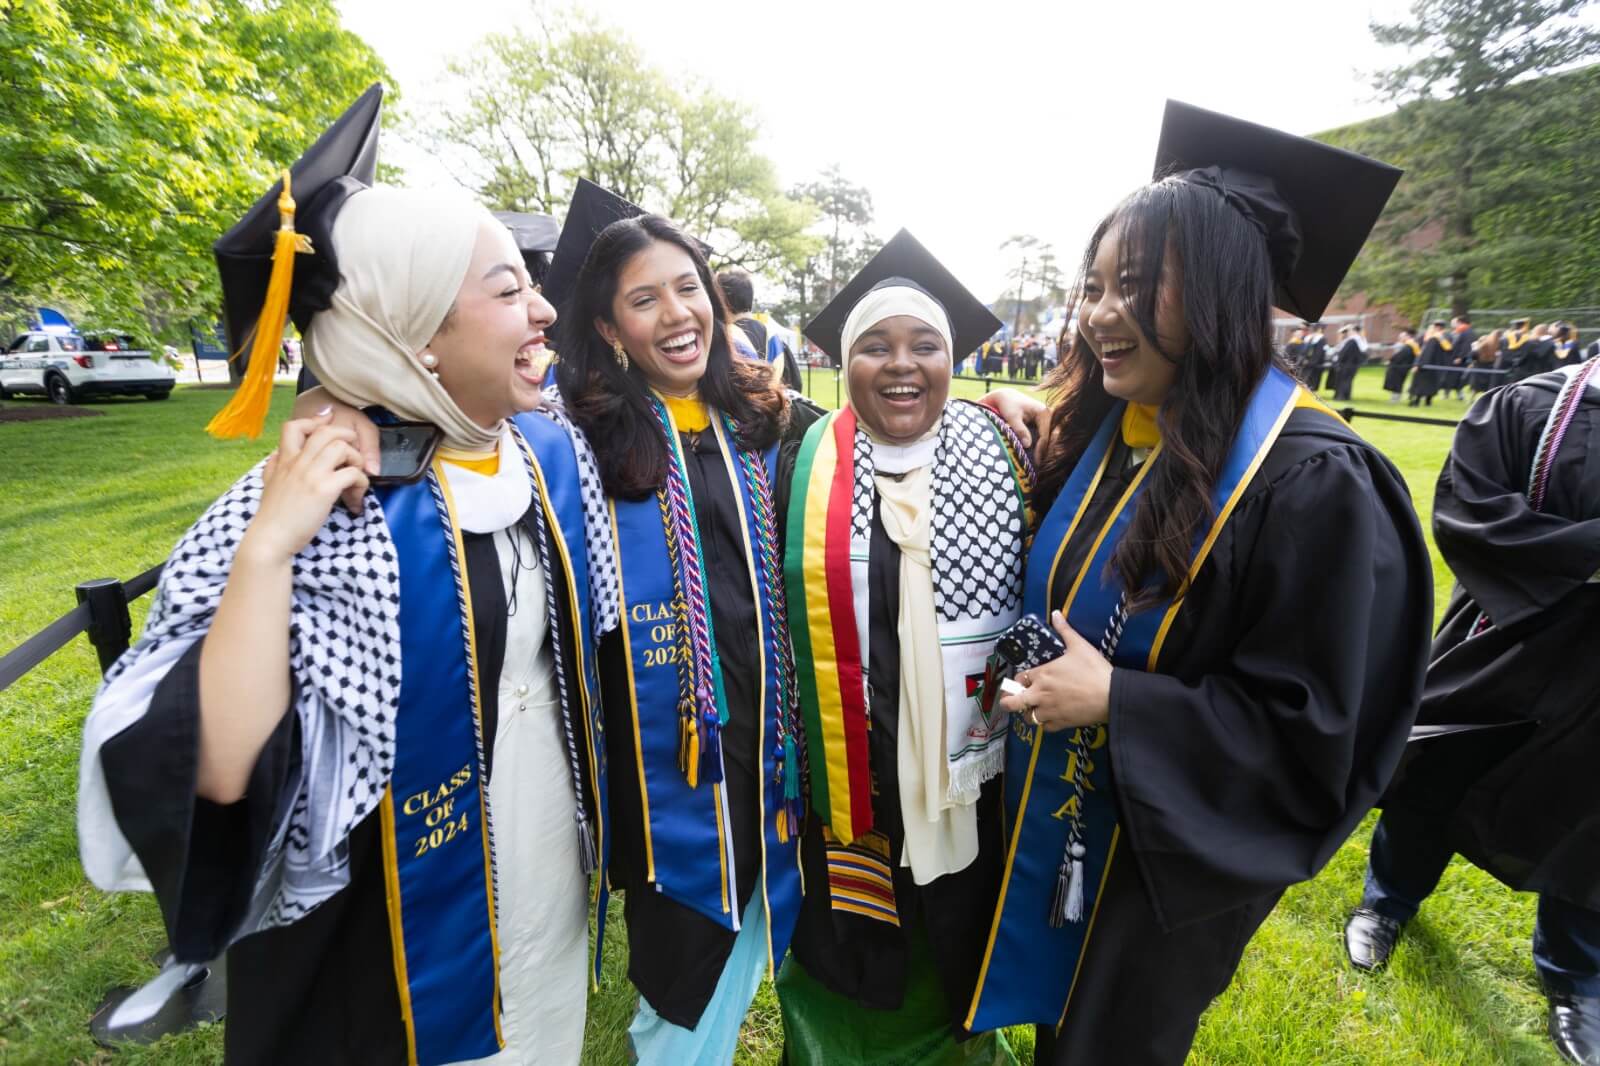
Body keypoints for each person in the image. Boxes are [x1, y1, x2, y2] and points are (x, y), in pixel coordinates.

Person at [76, 86, 615, 1066]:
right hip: (383, 938)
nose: (544, 306)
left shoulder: (540, 451)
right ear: (415, 336)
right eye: (506, 289)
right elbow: (221, 772)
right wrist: (269, 553)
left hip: (537, 849)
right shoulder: (321, 498)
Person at [967, 99, 1432, 1065]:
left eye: (1133, 285)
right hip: (1067, 815)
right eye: (1091, 286)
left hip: (1169, 858)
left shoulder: (1313, 482)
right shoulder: (1121, 432)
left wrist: (1121, 703)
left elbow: (1320, 738)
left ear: (1222, 291)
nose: (1097, 313)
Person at [545, 180, 814, 1065]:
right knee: (683, 980)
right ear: (611, 330)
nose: (676, 312)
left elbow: (881, 441)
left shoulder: (767, 420)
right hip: (665, 765)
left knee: (762, 929)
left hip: (771, 746)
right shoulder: (575, 440)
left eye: (688, 285)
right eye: (644, 299)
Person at [774, 230, 1030, 1065]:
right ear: (844, 364)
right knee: (854, 959)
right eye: (875, 346)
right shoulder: (799, 462)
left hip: (969, 773)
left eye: (926, 345)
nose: (902, 365)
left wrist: (1029, 407)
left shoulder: (1010, 458)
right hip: (845, 774)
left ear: (952, 361)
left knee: (956, 947)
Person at [1344, 353, 1600, 1066]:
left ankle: (1579, 980)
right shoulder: (1530, 407)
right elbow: (1468, 512)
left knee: (1593, 822)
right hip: (1506, 640)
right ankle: (1386, 903)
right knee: (1435, 776)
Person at [717, 268, 805, 391]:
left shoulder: (726, 339)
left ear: (723, 301)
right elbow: (796, 386)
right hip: (774, 408)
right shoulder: (775, 339)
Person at [1409, 321, 1452, 407]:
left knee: (1421, 383)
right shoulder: (1447, 337)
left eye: (1432, 327)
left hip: (1426, 365)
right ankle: (1428, 402)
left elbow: (1427, 353)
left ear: (1437, 328)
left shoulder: (1434, 338)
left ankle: (1416, 402)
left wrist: (1418, 365)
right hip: (1438, 365)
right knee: (1432, 384)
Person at [1330, 323, 1366, 401]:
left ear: (1353, 331)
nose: (1347, 332)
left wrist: (1339, 360)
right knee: (1344, 380)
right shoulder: (1350, 340)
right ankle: (1344, 396)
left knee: (1345, 381)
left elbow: (1343, 352)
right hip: (1347, 364)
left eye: (1349, 330)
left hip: (1348, 364)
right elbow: (1338, 348)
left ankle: (1341, 397)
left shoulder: (1355, 340)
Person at [1384, 328, 1420, 402]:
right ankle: (1395, 398)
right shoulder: (1412, 344)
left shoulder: (1410, 345)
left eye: (1403, 336)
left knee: (1397, 383)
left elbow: (1400, 355)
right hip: (1403, 366)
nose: (1401, 338)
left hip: (1400, 367)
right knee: (1398, 382)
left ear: (1408, 336)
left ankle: (1395, 399)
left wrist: (1390, 360)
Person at [1447, 315, 1476, 400]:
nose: (1454, 325)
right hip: (1459, 358)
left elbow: (1466, 346)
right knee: (1455, 376)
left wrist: (1460, 357)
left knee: (1458, 376)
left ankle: (1458, 393)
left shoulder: (1466, 332)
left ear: (1460, 322)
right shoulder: (1464, 331)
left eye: (1455, 323)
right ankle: (1450, 393)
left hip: (1460, 359)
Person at [1301, 321, 1329, 391]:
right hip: (1313, 363)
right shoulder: (1320, 338)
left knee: (1307, 378)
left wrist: (1305, 360)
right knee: (1310, 379)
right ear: (1319, 329)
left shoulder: (1310, 337)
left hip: (1307, 362)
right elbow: (1318, 353)